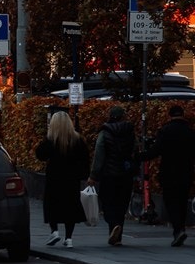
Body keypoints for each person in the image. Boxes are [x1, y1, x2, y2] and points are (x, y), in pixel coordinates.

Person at [140, 104, 195, 246]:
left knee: (171, 202)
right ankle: (181, 227)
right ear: (183, 115)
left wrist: (139, 156)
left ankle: (178, 229)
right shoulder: (191, 132)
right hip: (186, 172)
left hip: (168, 172)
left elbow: (155, 151)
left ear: (170, 116)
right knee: (182, 201)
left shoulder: (165, 131)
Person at [36, 110, 90, 247]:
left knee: (52, 204)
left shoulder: (51, 140)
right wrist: (83, 175)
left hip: (54, 178)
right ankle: (69, 238)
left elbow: (40, 155)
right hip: (72, 179)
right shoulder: (77, 140)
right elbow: (85, 159)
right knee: (70, 206)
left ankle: (54, 231)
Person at [87, 105, 138, 246]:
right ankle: (118, 236)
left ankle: (114, 225)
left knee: (108, 203)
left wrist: (93, 175)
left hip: (108, 174)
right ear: (123, 116)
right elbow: (135, 151)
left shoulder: (105, 132)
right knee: (122, 204)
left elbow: (99, 155)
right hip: (126, 174)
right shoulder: (130, 131)